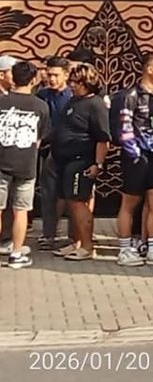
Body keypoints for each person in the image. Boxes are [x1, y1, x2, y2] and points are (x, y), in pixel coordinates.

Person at [115, 54, 153, 268]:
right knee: (130, 202)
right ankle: (124, 249)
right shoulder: (131, 95)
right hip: (137, 155)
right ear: (150, 70)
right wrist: (135, 154)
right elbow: (124, 128)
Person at [51, 64, 110, 261]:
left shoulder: (96, 104)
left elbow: (103, 138)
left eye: (75, 82)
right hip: (65, 161)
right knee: (70, 202)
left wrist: (98, 164)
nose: (72, 86)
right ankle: (76, 242)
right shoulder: (73, 101)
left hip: (81, 161)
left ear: (86, 83)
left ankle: (87, 246)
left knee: (78, 203)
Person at [0, 61, 49, 268]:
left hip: (1, 161)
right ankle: (16, 253)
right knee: (21, 210)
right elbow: (39, 139)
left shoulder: (1, 102)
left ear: (13, 77)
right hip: (26, 165)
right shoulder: (40, 106)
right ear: (33, 80)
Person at [35, 56, 72, 251]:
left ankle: (75, 237)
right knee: (48, 194)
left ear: (66, 75)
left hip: (72, 151)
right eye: (49, 74)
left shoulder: (74, 96)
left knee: (73, 196)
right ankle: (48, 234)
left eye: (56, 75)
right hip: (48, 150)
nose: (52, 79)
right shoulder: (41, 96)